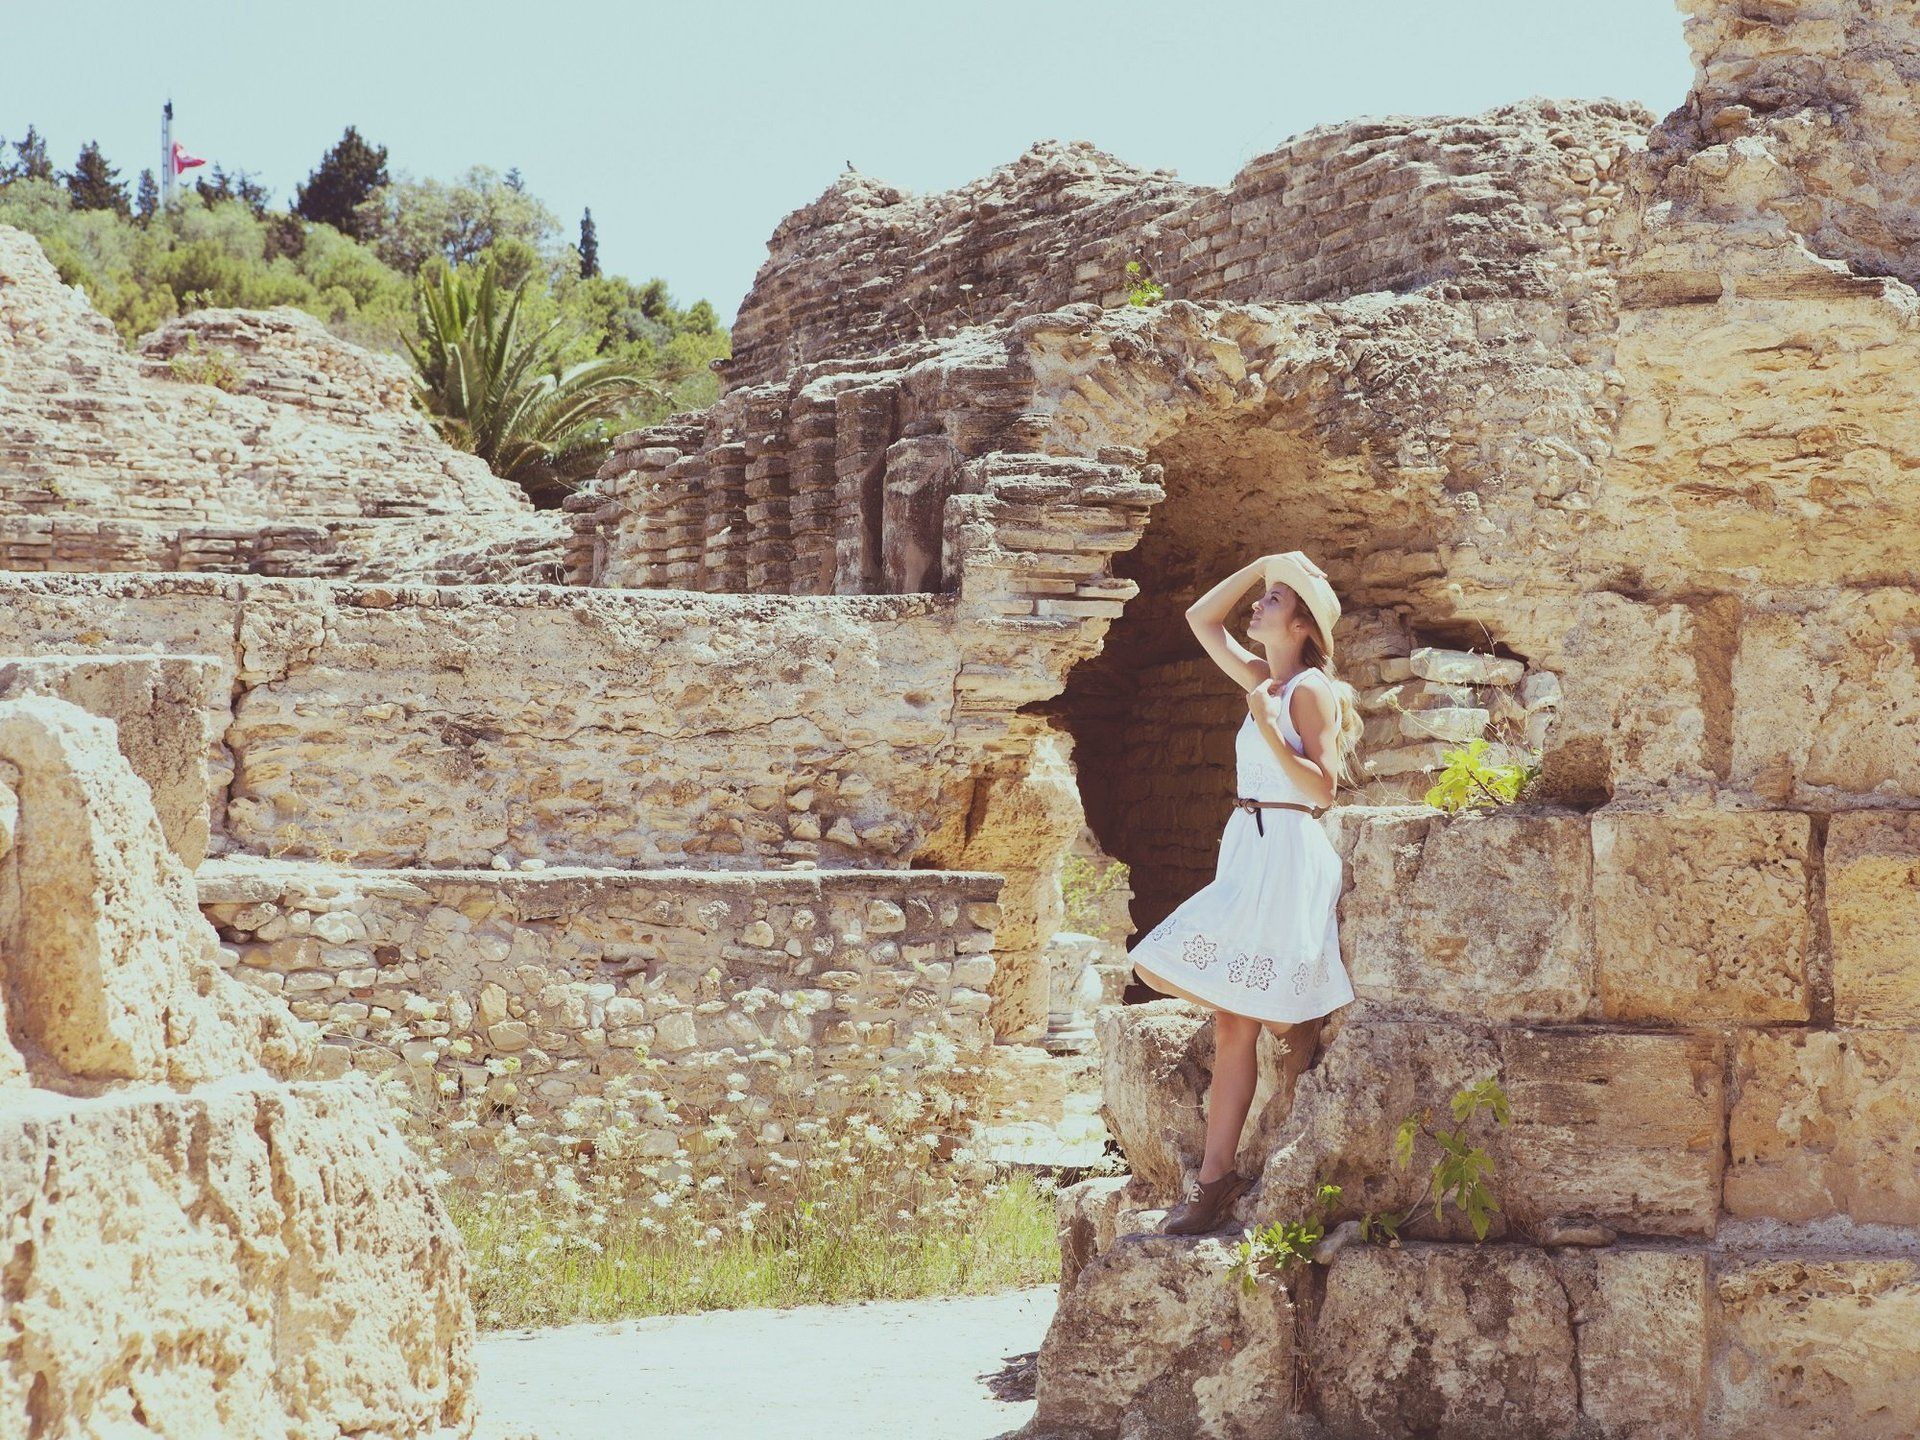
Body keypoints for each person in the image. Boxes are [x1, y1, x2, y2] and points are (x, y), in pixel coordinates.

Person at [1126, 550, 1364, 1236]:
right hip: (1248, 847)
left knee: (1236, 1019)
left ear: (1302, 626)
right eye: (1265, 596)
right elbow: (1201, 619)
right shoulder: (1263, 677)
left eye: (1275, 600)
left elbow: (1324, 789)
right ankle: (1220, 1170)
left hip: (1287, 849)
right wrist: (1263, 566)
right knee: (1176, 976)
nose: (1259, 605)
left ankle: (1212, 1182)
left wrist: (1265, 726)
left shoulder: (1309, 690)